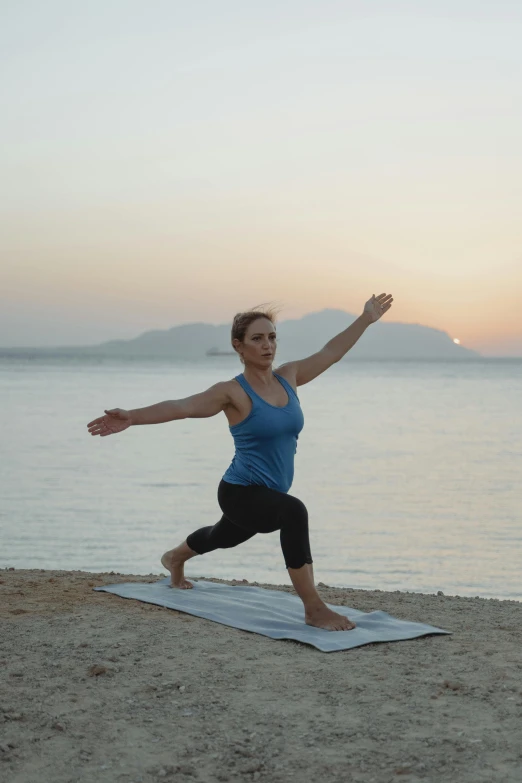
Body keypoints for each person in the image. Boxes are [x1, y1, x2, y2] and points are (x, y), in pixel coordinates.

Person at [87, 293, 393, 631]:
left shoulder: (288, 377)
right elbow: (182, 406)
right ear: (239, 345)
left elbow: (330, 353)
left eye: (272, 337)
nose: (267, 346)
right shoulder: (231, 392)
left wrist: (365, 318)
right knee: (294, 512)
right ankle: (314, 609)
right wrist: (132, 416)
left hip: (267, 493)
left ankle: (174, 558)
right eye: (257, 339)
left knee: (221, 537)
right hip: (240, 491)